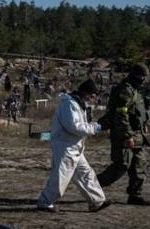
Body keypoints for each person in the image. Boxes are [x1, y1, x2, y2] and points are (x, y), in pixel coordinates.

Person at [36, 79, 110, 212]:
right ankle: (45, 202)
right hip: (65, 146)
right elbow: (74, 127)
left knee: (86, 174)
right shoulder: (69, 104)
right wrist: (97, 127)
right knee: (61, 177)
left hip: (75, 147)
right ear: (86, 93)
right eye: (92, 96)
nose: (93, 99)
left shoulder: (79, 104)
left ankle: (97, 201)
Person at [97, 63, 150, 205]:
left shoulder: (137, 90)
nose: (144, 79)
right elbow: (121, 115)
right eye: (142, 76)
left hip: (137, 134)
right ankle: (92, 186)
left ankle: (135, 194)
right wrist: (127, 136)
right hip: (124, 134)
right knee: (121, 165)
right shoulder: (125, 90)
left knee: (139, 166)